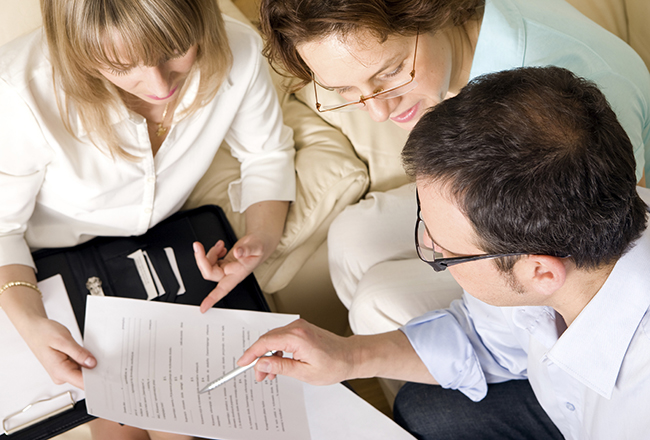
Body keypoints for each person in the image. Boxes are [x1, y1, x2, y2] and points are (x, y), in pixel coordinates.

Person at [237, 66, 650, 440]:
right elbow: (487, 337)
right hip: (570, 410)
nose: (431, 248)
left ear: (540, 272)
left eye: (448, 255)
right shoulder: (579, 240)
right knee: (424, 410)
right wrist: (347, 356)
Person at [259, 0, 650, 341]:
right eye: (344, 89)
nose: (378, 111)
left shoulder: (566, 104)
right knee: (353, 236)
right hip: (489, 196)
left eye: (391, 71)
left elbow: (592, 269)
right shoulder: (467, 37)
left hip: (570, 246)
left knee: (378, 304)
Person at [0, 0, 295, 438]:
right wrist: (29, 320)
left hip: (168, 239)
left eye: (174, 49)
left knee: (189, 416)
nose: (158, 85)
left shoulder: (239, 47)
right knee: (120, 419)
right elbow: (4, 227)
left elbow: (266, 154)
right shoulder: (22, 92)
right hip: (55, 257)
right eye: (123, 68)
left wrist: (261, 237)